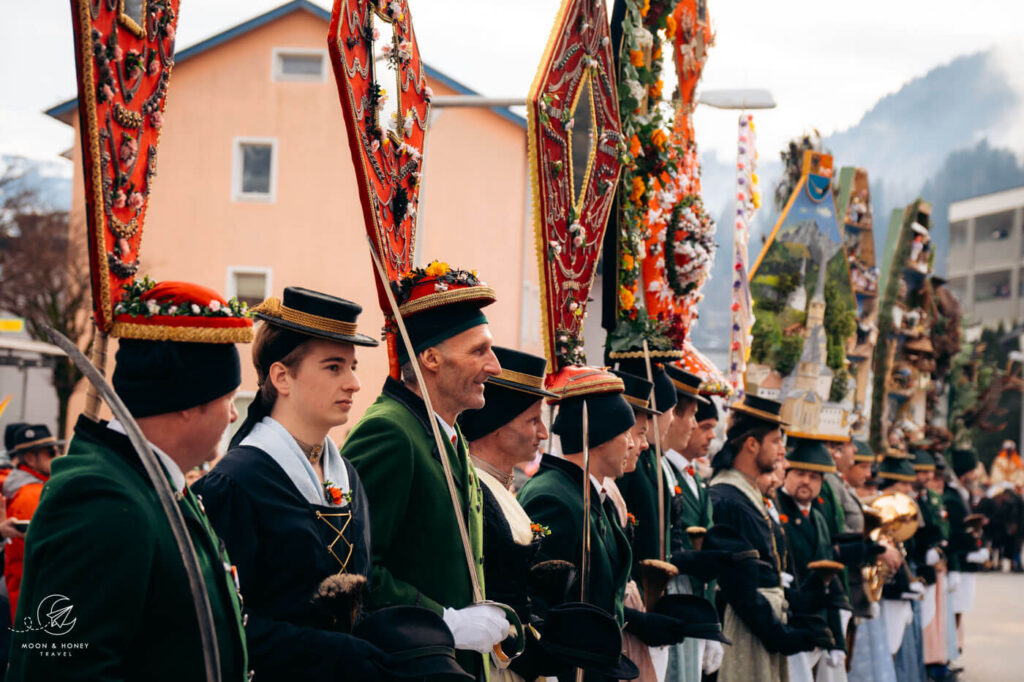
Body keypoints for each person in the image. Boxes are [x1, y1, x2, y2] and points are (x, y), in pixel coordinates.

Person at [7, 280, 251, 681]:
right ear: (192, 403)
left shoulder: (152, 485)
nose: (231, 416)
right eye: (228, 399)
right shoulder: (100, 501)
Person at [192, 287, 393, 681]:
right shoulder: (235, 483)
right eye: (334, 367)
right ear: (282, 376)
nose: (353, 383)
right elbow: (215, 622)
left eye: (352, 367)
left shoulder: (346, 475)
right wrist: (325, 653)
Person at [342, 263, 511, 677]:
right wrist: (444, 621)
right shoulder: (389, 432)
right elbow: (357, 570)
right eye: (478, 351)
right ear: (431, 358)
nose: (495, 366)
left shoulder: (447, 434)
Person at [520, 367, 681, 682]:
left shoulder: (586, 495)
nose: (636, 445)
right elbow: (541, 601)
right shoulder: (555, 498)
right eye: (627, 433)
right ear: (600, 436)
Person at [708, 395, 833, 682]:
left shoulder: (748, 495)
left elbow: (766, 576)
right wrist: (781, 635)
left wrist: (802, 605)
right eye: (776, 441)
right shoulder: (726, 498)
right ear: (752, 444)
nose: (782, 451)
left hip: (761, 628)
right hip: (744, 631)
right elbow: (739, 589)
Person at [458, 345, 559, 682]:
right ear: (496, 426)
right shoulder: (474, 487)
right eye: (533, 420)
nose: (543, 433)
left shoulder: (502, 485)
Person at [660, 367, 726, 682]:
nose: (711, 436)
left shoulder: (694, 479)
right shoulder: (663, 472)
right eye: (704, 425)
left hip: (694, 598)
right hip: (674, 598)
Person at [776, 438, 849, 682]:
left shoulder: (818, 518)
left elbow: (830, 579)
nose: (806, 481)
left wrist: (837, 640)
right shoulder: (775, 510)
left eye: (814, 476)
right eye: (800, 473)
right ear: (787, 474)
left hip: (816, 625)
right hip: (788, 622)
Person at [2, 423, 62, 619]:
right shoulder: (32, 496)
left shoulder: (36, 489)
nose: (58, 456)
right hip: (33, 605)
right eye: (51, 452)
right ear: (29, 458)